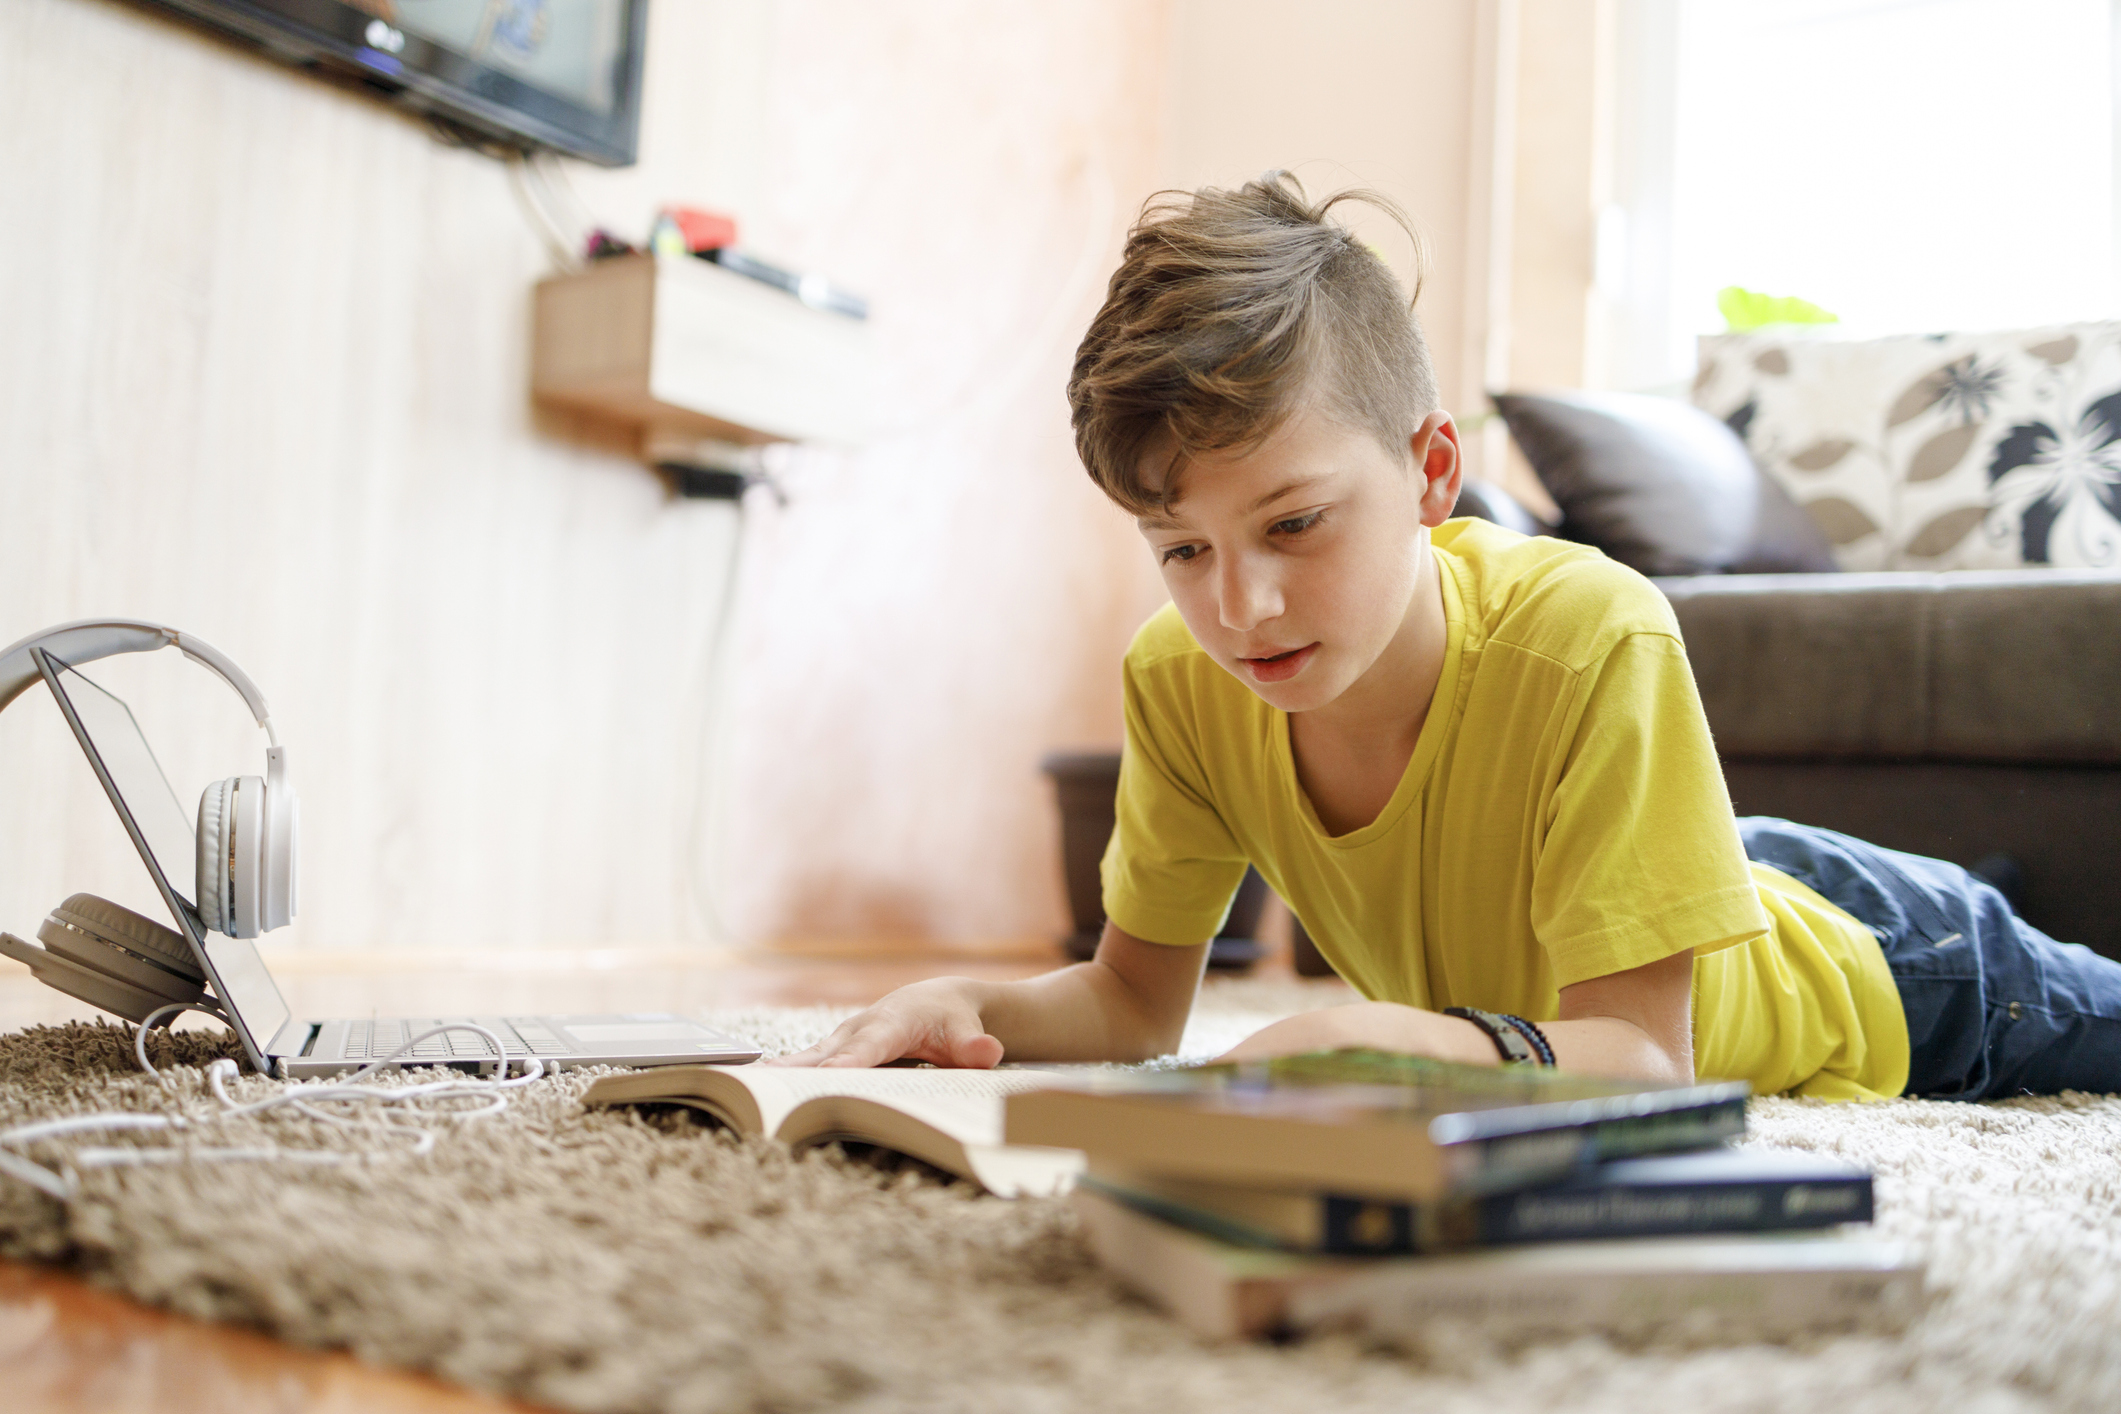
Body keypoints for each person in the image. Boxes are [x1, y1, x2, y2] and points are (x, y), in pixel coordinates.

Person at [776, 173, 2121, 1100]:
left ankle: (1976, 890)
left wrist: (1396, 1039)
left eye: (1295, 524)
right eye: (1180, 548)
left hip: (1897, 971)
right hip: (1680, 889)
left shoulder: (1591, 632)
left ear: (1429, 473)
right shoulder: (1179, 683)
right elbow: (1135, 1008)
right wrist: (972, 1001)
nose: (1237, 606)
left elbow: (1640, 1060)